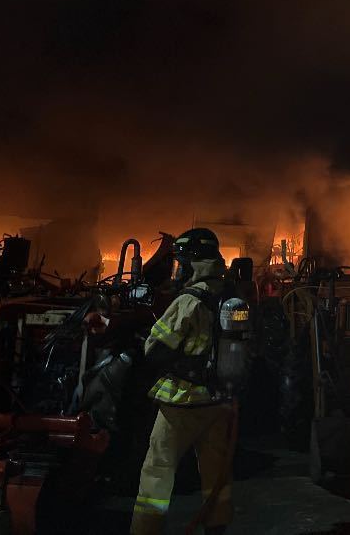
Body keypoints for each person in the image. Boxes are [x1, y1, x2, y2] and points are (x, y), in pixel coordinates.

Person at [131, 228, 235, 535]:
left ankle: (145, 529)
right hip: (218, 402)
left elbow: (155, 351)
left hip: (181, 403)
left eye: (181, 262)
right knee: (217, 476)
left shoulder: (189, 301)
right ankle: (216, 529)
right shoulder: (231, 296)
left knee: (157, 473)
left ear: (193, 263)